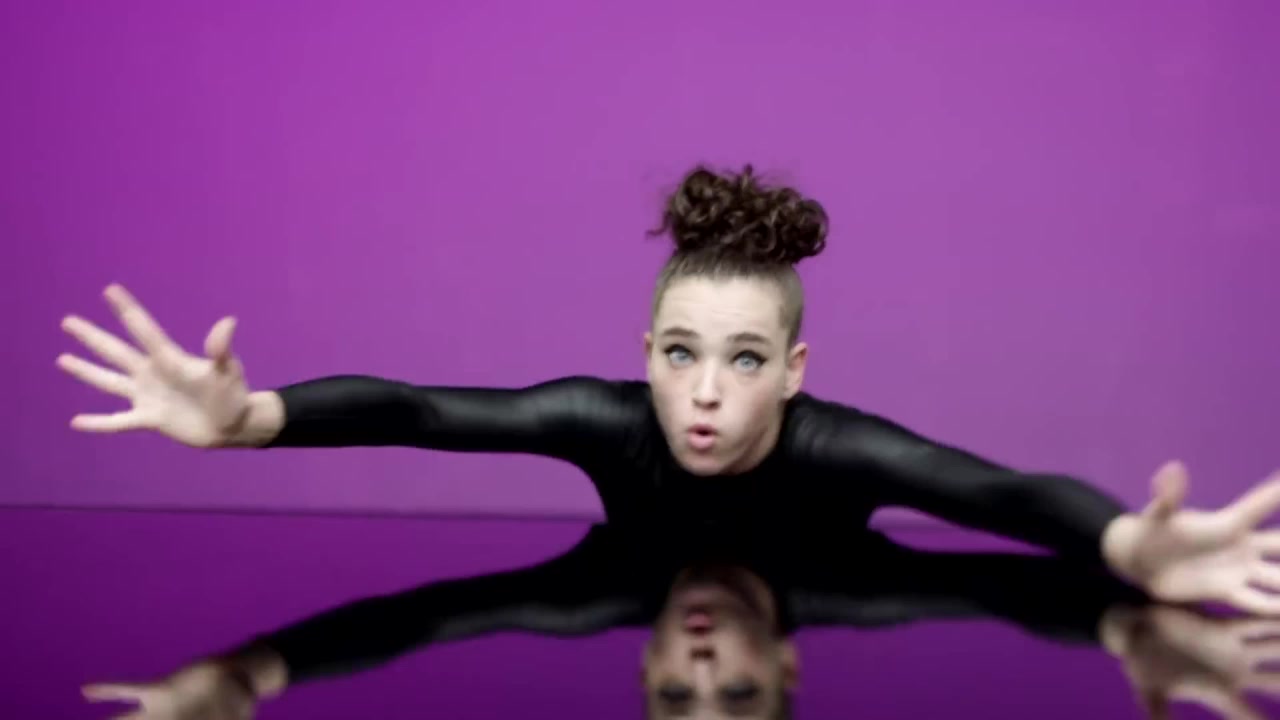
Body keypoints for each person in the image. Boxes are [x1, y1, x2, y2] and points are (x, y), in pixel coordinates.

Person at [58, 164, 1280, 613]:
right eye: (680, 354)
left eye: (743, 361)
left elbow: (995, 495)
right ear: (643, 350)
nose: (702, 394)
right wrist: (253, 420)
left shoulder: (837, 446)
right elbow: (426, 411)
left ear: (793, 375)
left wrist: (1125, 544)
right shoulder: (605, 423)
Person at [80, 522, 1280, 720]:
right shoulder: (860, 596)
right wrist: (1128, 613)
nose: (702, 663)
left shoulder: (584, 605)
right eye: (733, 696)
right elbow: (999, 589)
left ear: (644, 666)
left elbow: (428, 619)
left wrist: (252, 676)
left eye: (676, 696)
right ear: (789, 669)